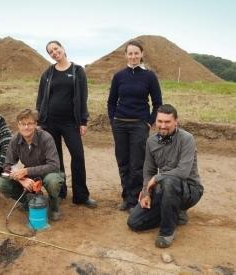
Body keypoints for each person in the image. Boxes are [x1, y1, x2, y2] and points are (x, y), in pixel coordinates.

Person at [127, 104, 202, 248]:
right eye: (160, 121)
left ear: (176, 122)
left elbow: (183, 171)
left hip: (190, 190)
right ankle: (175, 213)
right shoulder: (151, 142)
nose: (163, 125)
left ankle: (167, 232)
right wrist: (145, 193)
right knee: (134, 222)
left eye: (167, 122)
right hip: (167, 190)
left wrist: (157, 178)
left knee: (168, 181)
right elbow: (149, 171)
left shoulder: (187, 139)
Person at [36, 40, 96, 208]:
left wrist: (83, 121)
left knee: (78, 156)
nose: (54, 53)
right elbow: (40, 98)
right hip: (50, 122)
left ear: (62, 48)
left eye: (56, 49)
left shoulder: (77, 71)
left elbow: (83, 97)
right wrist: (40, 121)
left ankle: (81, 196)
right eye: (50, 52)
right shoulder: (48, 73)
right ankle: (60, 192)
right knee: (56, 159)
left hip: (71, 122)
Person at [107, 39, 163, 211]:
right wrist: (113, 120)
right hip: (120, 125)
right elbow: (111, 102)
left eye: (136, 53)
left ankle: (134, 199)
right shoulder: (119, 76)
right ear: (126, 55)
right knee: (122, 162)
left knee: (137, 164)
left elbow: (157, 103)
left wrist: (149, 121)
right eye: (130, 53)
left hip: (139, 124)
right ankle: (126, 197)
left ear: (142, 54)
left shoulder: (149, 76)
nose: (133, 56)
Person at [0, 109, 64, 220]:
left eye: (30, 123)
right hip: (28, 176)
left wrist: (26, 171)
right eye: (23, 124)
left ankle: (54, 207)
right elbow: (7, 165)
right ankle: (29, 201)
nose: (26, 127)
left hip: (48, 173)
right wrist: (22, 179)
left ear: (36, 124)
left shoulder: (46, 138)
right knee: (0, 184)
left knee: (53, 181)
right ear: (18, 125)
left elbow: (54, 165)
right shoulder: (14, 140)